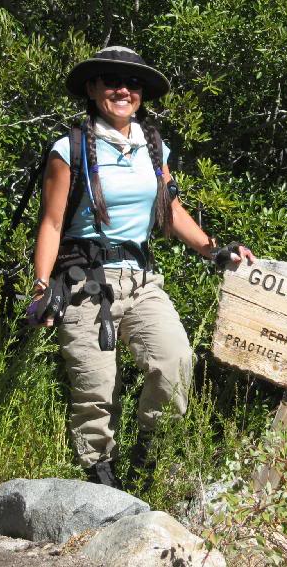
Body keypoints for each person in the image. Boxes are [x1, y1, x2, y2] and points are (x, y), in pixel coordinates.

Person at [30, 46, 254, 488]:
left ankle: (148, 464)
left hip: (142, 277)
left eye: (132, 84)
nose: (122, 90)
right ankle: (99, 477)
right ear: (93, 89)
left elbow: (171, 213)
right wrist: (41, 286)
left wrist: (216, 251)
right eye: (111, 81)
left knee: (175, 361)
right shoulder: (69, 148)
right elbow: (52, 223)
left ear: (142, 94)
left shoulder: (153, 146)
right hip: (85, 280)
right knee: (96, 386)